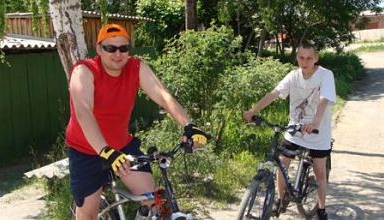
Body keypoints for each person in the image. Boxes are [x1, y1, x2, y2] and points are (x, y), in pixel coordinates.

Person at [66, 23, 209, 220]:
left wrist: (188, 125)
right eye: (110, 48)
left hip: (122, 148)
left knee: (155, 202)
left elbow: (163, 96)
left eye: (123, 48)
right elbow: (83, 112)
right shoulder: (84, 71)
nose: (118, 54)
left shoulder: (136, 67)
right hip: (86, 151)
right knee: (88, 215)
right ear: (99, 49)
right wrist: (105, 151)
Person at [243, 42, 336, 220]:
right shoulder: (293, 76)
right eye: (301, 57)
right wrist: (253, 111)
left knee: (319, 172)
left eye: (309, 58)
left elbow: (324, 100)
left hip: (318, 132)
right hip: (295, 129)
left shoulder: (325, 75)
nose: (305, 61)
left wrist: (315, 123)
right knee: (282, 162)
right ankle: (280, 198)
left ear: (316, 58)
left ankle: (321, 209)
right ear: (297, 58)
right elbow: (274, 93)